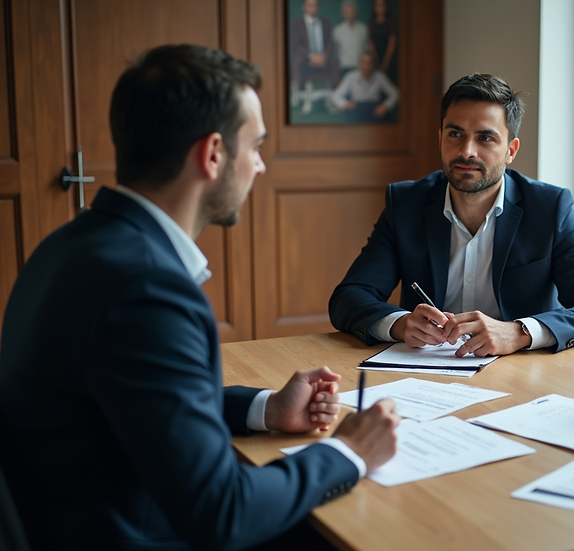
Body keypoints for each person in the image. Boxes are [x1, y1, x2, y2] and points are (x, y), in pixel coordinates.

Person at [0, 44, 400, 550]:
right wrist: (351, 451)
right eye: (254, 146)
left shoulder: (70, 246)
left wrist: (267, 410)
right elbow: (223, 514)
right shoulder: (148, 288)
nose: (259, 167)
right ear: (213, 154)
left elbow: (145, 400)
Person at [329, 73, 574, 358]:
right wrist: (400, 323)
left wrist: (518, 332)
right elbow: (348, 298)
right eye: (456, 134)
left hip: (523, 376)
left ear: (511, 150)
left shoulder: (550, 207)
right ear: (441, 137)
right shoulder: (406, 203)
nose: (467, 151)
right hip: (426, 372)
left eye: (485, 138)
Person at [290, 0, 340, 100]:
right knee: (296, 61)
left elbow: (330, 42)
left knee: (335, 61)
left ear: (318, 7)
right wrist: (312, 56)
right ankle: (300, 94)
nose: (313, 8)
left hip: (324, 57)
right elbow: (296, 44)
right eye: (310, 5)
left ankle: (336, 95)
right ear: (304, 7)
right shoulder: (297, 23)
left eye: (315, 5)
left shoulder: (326, 22)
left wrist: (323, 56)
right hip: (306, 58)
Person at [332, 51, 399, 122]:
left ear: (373, 65)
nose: (366, 66)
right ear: (359, 64)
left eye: (369, 63)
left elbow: (395, 93)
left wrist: (385, 106)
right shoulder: (351, 76)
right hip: (356, 107)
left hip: (375, 108)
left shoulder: (380, 76)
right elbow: (335, 95)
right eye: (364, 62)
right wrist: (345, 103)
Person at [333, 0, 368, 76]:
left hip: (360, 67)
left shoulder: (363, 29)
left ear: (356, 12)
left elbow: (366, 48)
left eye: (352, 10)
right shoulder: (337, 30)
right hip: (343, 67)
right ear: (343, 13)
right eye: (347, 11)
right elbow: (335, 51)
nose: (350, 13)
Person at [368, 0, 397, 83]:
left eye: (382, 5)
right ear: (374, 8)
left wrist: (385, 63)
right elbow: (371, 44)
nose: (380, 7)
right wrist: (376, 62)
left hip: (390, 59)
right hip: (376, 60)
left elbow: (392, 44)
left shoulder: (391, 23)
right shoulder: (371, 24)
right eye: (377, 5)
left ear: (386, 7)